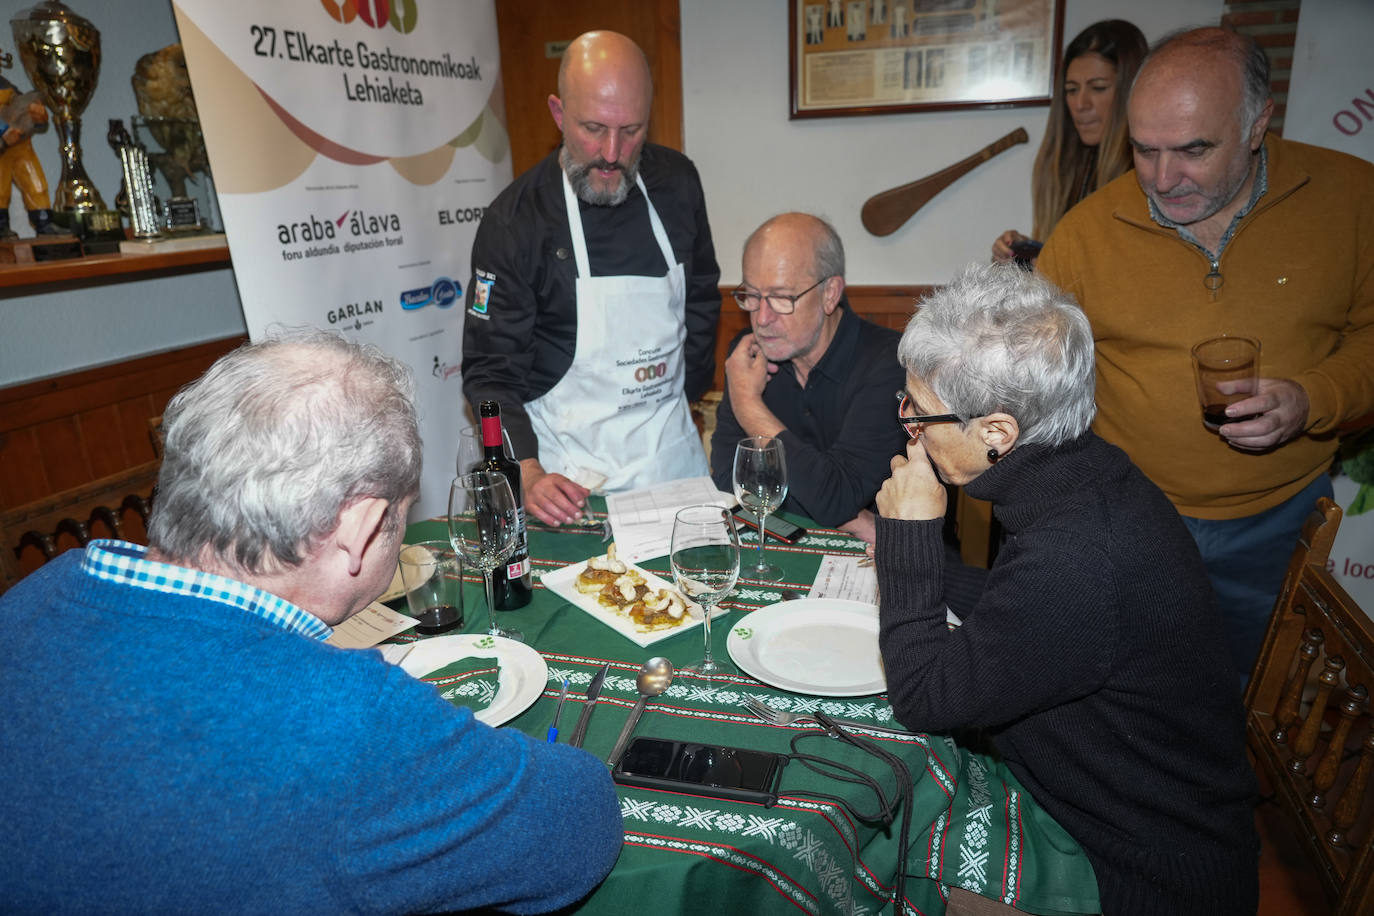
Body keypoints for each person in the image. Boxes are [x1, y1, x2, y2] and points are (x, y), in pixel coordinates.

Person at [0, 330, 622, 913]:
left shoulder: (30, 596)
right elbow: (579, 825)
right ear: (362, 530)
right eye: (401, 519)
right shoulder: (345, 717)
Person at [874, 262, 1258, 916]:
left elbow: (923, 695)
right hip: (1098, 797)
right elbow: (1020, 608)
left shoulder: (1079, 556)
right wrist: (902, 560)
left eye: (923, 412)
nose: (909, 423)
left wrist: (910, 536)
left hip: (1139, 868)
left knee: (875, 860)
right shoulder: (1087, 475)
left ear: (997, 433)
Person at [1036, 27, 1374, 679]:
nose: (1164, 179)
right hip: (1131, 519)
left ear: (1257, 124)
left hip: (1279, 521)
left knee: (1251, 703)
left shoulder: (1352, 198)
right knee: (1130, 697)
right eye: (1144, 150)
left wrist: (1313, 398)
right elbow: (1037, 377)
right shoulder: (1085, 233)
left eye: (1193, 150)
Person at [462, 30, 721, 526]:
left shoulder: (678, 183)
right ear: (559, 115)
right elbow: (489, 372)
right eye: (593, 129)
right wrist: (527, 470)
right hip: (569, 482)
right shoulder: (515, 222)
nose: (611, 152)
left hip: (670, 466)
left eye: (631, 131)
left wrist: (686, 389)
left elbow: (702, 295)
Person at [709, 212, 906, 542]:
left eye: (782, 298)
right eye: (752, 295)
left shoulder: (888, 363)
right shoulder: (748, 355)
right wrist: (845, 515)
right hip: (786, 548)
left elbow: (837, 497)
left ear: (830, 294)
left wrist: (747, 405)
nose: (762, 317)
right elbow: (731, 481)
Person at [991, 20, 1147, 264]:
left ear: (1132, 91)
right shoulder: (1062, 169)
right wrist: (1025, 252)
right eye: (1072, 90)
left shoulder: (1149, 178)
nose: (1081, 104)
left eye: (1098, 88)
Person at [0, 70, 60, 237]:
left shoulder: (6, 85)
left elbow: (20, 108)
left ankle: (45, 224)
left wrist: (38, 118)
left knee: (36, 184)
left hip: (21, 146)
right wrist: (3, 141)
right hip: (4, 147)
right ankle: (2, 228)